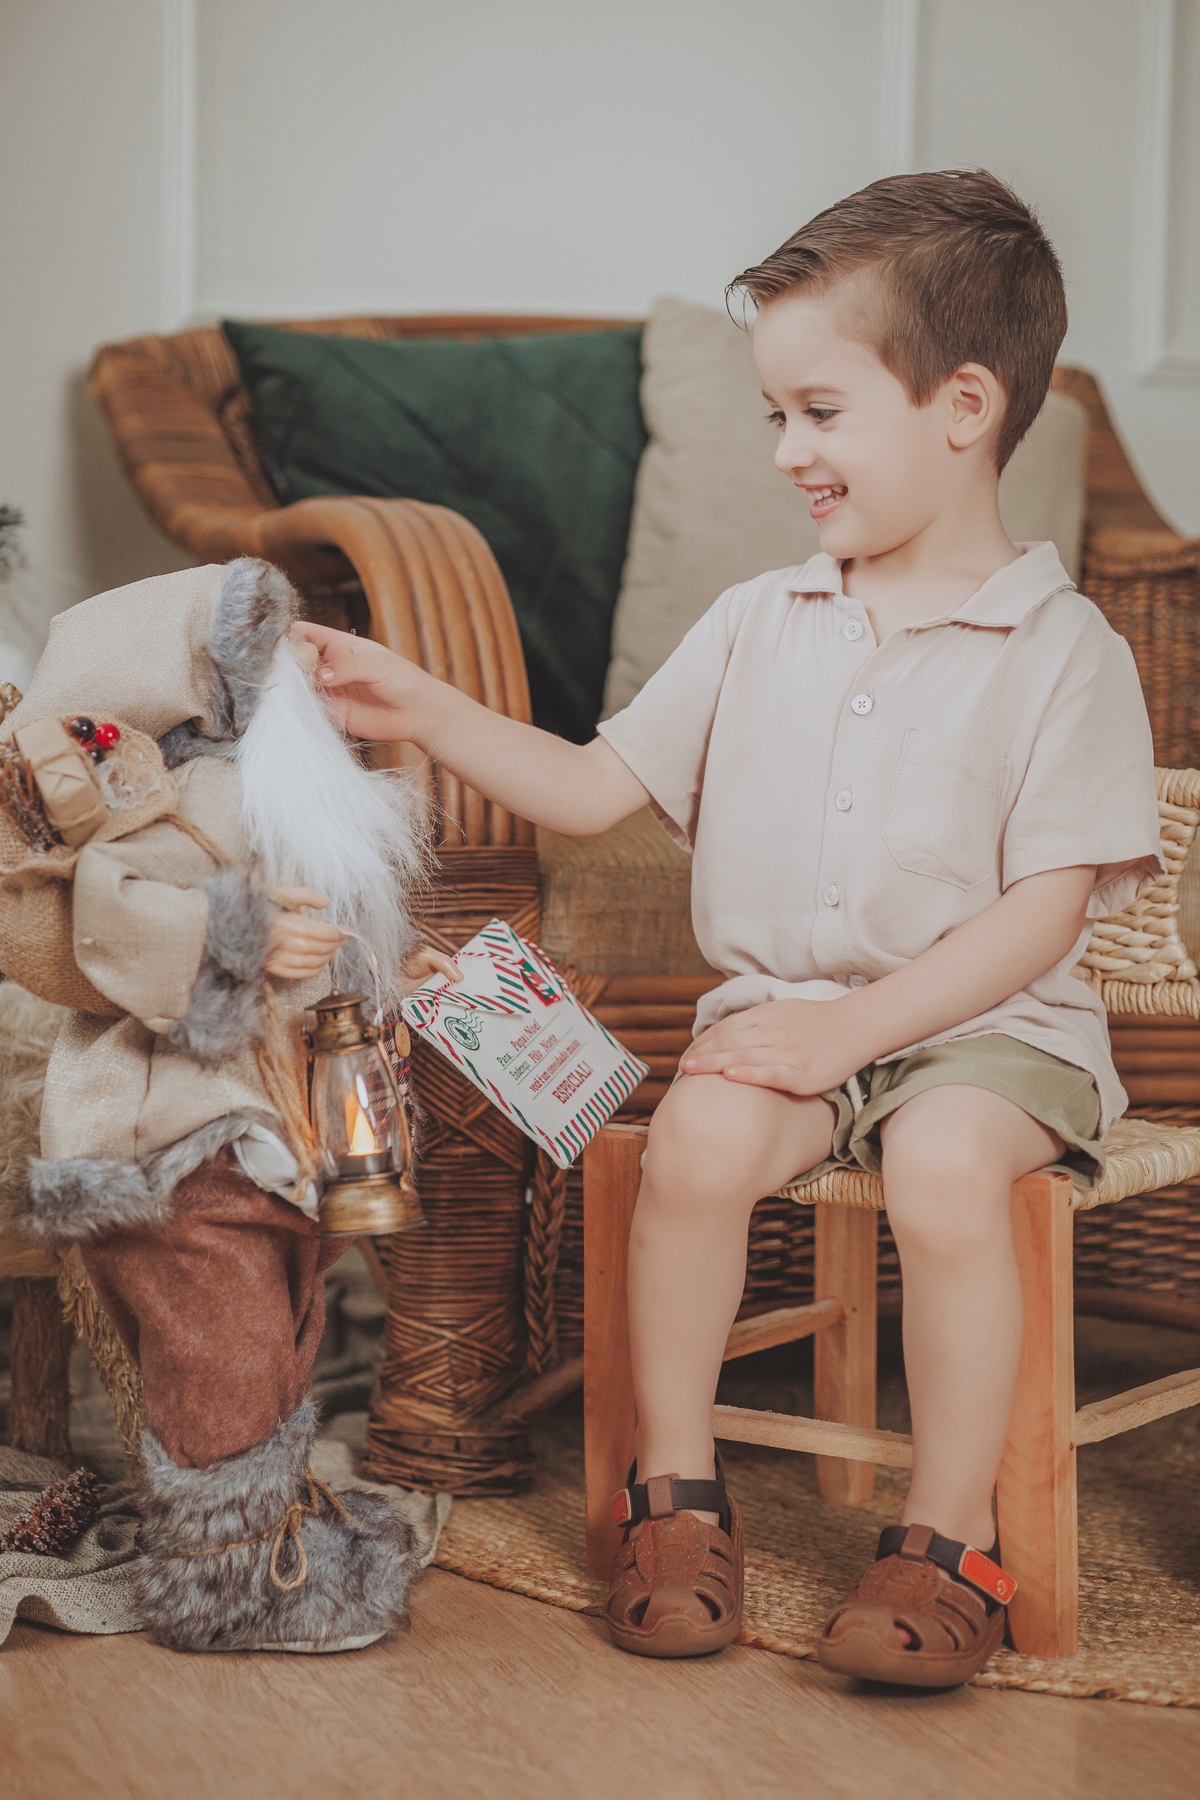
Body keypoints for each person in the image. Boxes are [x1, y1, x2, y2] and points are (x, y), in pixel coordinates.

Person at [295, 171, 1162, 1687]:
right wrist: (419, 704)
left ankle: (951, 1535)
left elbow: (1042, 918)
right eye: (777, 416)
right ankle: (674, 1495)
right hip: (783, 1016)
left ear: (963, 405)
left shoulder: (1063, 648)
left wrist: (852, 1033)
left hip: (992, 1038)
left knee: (942, 1163)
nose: (788, 453)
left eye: (819, 413)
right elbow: (584, 789)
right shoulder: (761, 619)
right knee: (692, 1145)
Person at [6, 557, 454, 1654]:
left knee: (282, 1327)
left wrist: (385, 973)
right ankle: (231, 1578)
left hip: (279, 1131)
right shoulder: (132, 807)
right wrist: (231, 935)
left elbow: (320, 929)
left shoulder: (255, 790)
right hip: (172, 1130)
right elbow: (74, 931)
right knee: (221, 1341)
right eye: (261, 649)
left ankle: (267, 1534)